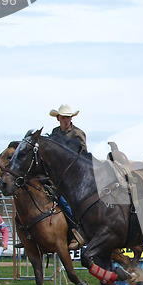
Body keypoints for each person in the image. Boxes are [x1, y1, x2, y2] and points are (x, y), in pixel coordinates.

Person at [49, 104, 87, 250]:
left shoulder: (77, 133)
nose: (66, 120)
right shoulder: (54, 133)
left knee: (65, 202)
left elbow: (83, 155)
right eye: (63, 117)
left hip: (73, 175)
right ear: (58, 118)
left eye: (68, 117)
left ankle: (78, 231)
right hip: (56, 174)